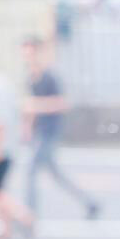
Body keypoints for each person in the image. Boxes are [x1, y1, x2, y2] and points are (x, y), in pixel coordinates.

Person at [20, 35, 100, 219]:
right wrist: (27, 128)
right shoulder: (30, 78)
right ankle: (90, 202)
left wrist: (36, 106)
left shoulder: (49, 77)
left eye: (30, 54)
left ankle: (29, 215)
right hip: (38, 133)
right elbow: (31, 109)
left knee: (31, 171)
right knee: (56, 174)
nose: (28, 58)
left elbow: (61, 103)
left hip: (49, 132)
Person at [0, 73, 35, 239]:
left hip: (3, 149)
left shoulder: (1, 88)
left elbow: (1, 123)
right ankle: (7, 231)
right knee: (1, 190)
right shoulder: (5, 84)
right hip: (9, 147)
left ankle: (25, 217)